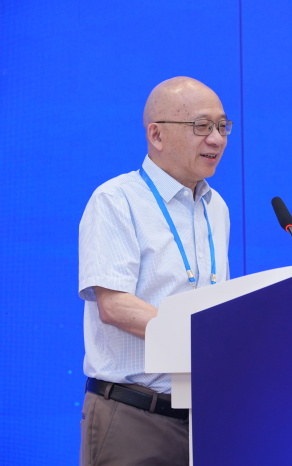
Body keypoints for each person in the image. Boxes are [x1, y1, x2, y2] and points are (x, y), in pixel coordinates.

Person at [78, 77, 232, 466]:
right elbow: (114, 306)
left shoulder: (216, 207)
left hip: (208, 417)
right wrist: (204, 337)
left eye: (222, 126)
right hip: (135, 415)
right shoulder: (116, 200)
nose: (216, 139)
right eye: (202, 126)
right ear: (157, 135)